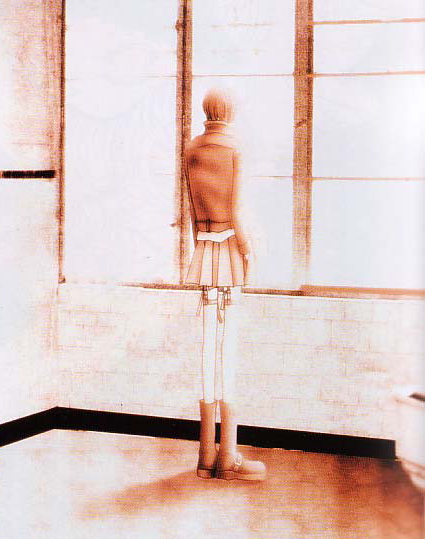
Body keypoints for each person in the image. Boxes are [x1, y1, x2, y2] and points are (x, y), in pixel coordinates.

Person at [184, 88, 266, 481]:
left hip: (203, 250)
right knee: (227, 353)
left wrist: (199, 246)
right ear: (230, 111)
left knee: (206, 353)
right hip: (230, 252)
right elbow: (235, 210)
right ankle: (228, 455)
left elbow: (190, 210)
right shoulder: (234, 148)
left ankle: (205, 455)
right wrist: (248, 251)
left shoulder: (191, 148)